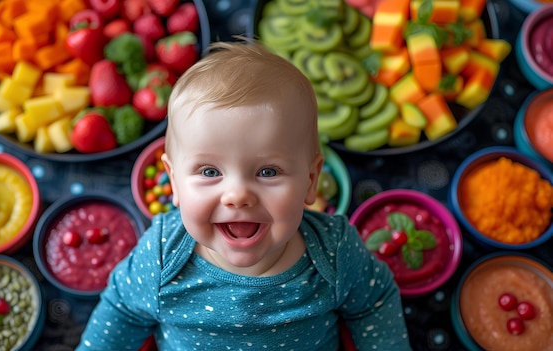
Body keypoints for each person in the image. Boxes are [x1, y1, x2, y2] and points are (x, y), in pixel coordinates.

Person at [75, 40, 412, 351]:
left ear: (311, 181)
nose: (237, 195)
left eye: (268, 172)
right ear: (174, 183)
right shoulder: (162, 258)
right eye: (210, 172)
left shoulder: (334, 253)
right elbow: (123, 311)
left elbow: (375, 301)